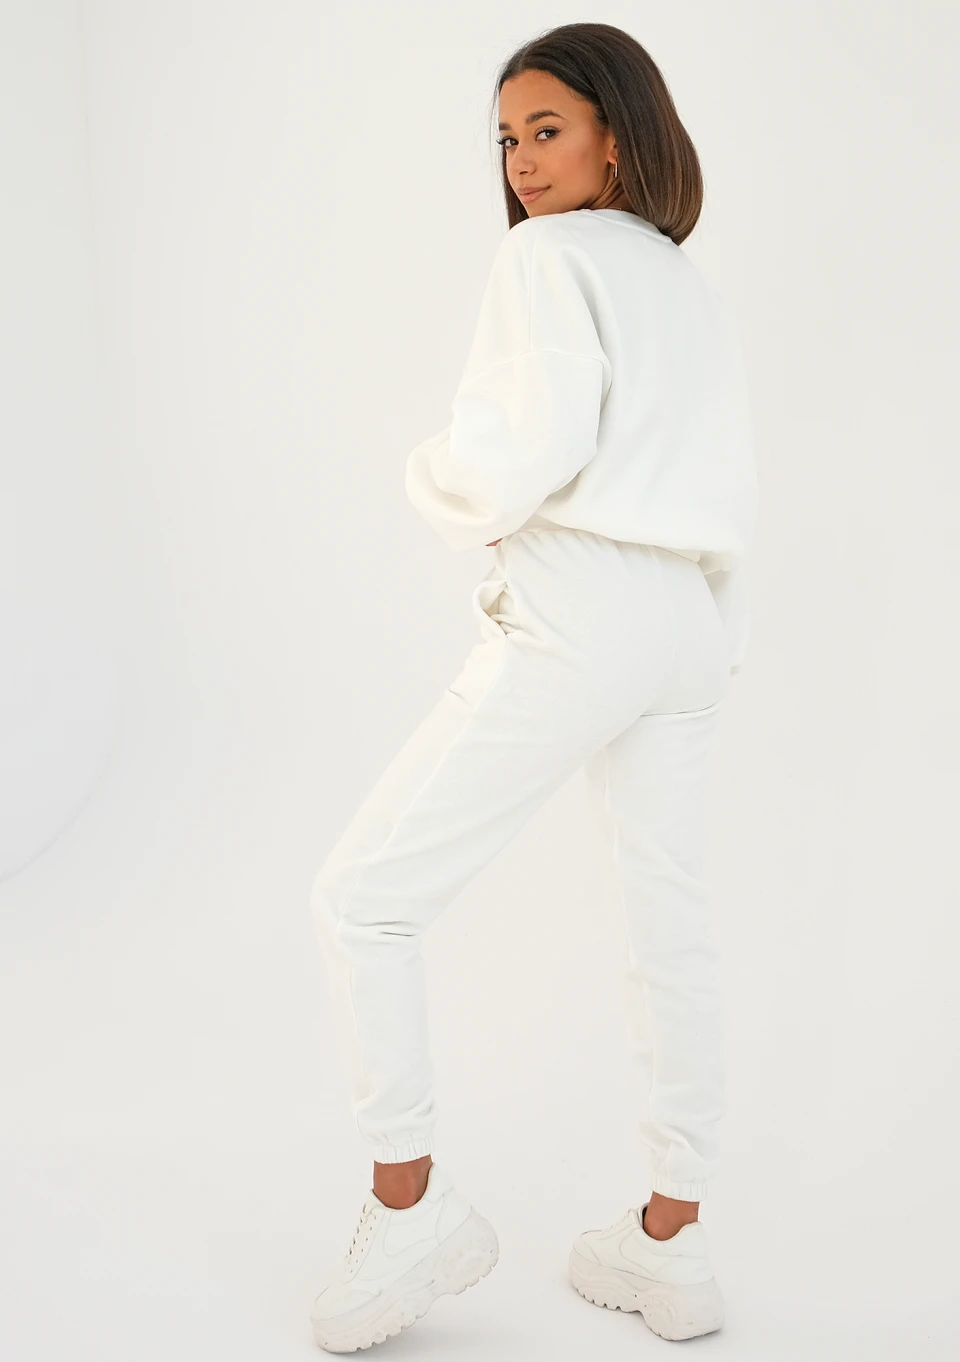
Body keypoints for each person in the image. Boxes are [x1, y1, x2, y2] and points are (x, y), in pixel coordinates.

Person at [310, 20, 759, 1353]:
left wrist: (430, 475)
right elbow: (722, 480)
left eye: (547, 130)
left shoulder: (546, 257)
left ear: (620, 135)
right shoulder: (685, 285)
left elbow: (522, 447)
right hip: (686, 620)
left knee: (363, 900)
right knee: (669, 922)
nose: (520, 161)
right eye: (507, 139)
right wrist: (702, 629)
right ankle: (672, 1239)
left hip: (585, 609)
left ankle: (411, 1210)